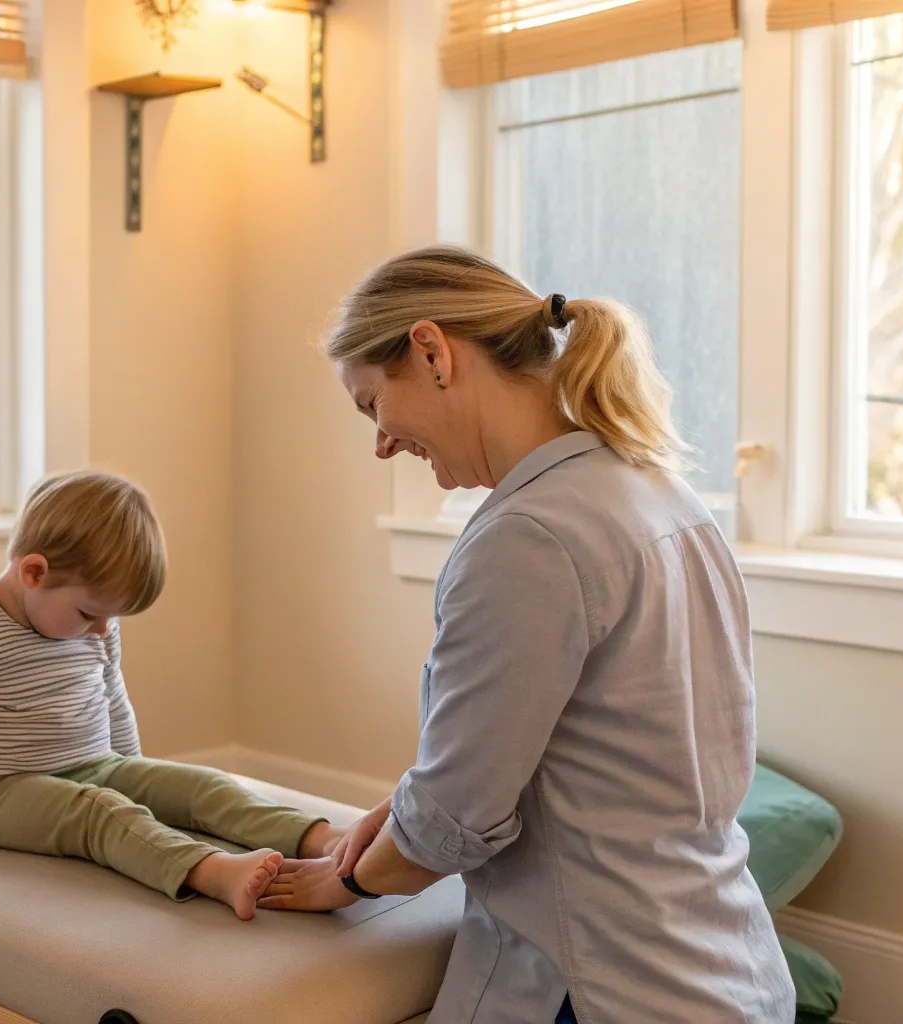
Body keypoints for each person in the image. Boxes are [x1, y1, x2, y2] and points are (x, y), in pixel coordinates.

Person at [257, 246, 795, 1022]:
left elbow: (455, 818)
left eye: (372, 404)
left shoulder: (527, 538)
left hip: (604, 986)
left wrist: (343, 881)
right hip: (728, 967)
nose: (380, 444)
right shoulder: (660, 492)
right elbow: (565, 752)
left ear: (433, 352)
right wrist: (398, 811)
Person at [0, 469, 348, 920]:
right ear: (34, 572)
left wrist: (138, 772)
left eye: (111, 617)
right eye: (90, 613)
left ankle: (325, 840)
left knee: (202, 786)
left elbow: (112, 696)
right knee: (104, 812)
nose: (103, 629)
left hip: (93, 764)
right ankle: (212, 873)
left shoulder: (96, 624)